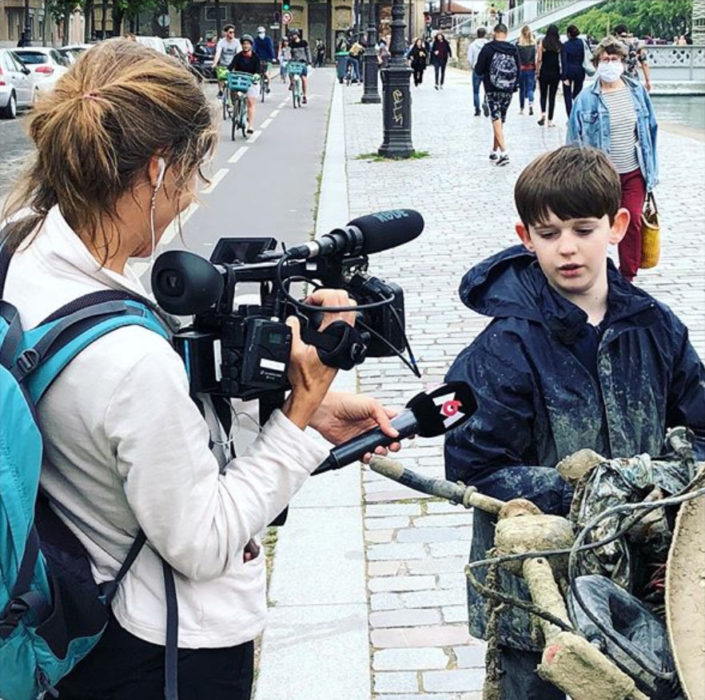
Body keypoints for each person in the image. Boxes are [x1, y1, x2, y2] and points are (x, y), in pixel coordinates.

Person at [0, 38, 399, 700]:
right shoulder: (128, 360)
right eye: (194, 174)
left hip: (67, 614)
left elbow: (112, 429)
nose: (193, 194)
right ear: (159, 169)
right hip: (157, 650)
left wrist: (282, 407)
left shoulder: (17, 248)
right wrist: (299, 413)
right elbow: (204, 541)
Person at [444, 144, 705, 700]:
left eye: (583, 229)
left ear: (616, 226)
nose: (567, 248)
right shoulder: (504, 345)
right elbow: (475, 465)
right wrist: (584, 490)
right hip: (535, 599)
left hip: (639, 600)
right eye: (549, 232)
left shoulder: (659, 330)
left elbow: (702, 438)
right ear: (525, 236)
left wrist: (644, 487)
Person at [567, 35, 658, 283]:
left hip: (633, 170)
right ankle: (594, 271)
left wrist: (651, 171)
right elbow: (573, 140)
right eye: (605, 59)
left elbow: (650, 130)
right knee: (598, 225)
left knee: (633, 220)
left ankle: (627, 276)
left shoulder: (636, 92)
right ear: (597, 64)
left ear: (622, 61)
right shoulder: (585, 99)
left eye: (614, 59)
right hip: (600, 175)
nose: (610, 63)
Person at [475, 23, 520, 166]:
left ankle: (504, 153)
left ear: (494, 32)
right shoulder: (513, 49)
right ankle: (494, 150)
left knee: (496, 118)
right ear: (506, 34)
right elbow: (518, 69)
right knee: (500, 120)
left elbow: (479, 69)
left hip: (492, 88)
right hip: (508, 89)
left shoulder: (488, 48)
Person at [228, 34, 261, 134]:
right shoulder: (238, 56)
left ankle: (250, 125)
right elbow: (230, 67)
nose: (245, 46)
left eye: (247, 44)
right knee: (232, 89)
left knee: (250, 102)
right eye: (244, 44)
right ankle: (235, 108)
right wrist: (226, 72)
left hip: (251, 82)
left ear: (251, 45)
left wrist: (256, 76)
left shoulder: (255, 57)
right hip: (239, 81)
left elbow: (258, 70)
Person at [536, 23, 561, 127]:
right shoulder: (559, 45)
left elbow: (539, 59)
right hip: (555, 72)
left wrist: (537, 71)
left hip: (544, 71)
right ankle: (550, 120)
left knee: (543, 94)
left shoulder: (543, 43)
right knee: (552, 97)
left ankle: (543, 114)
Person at [614, 24, 652, 92]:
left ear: (616, 34)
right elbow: (645, 63)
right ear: (627, 31)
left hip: (618, 79)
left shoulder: (614, 44)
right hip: (633, 78)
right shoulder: (637, 43)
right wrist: (647, 80)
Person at [561, 24, 586, 117]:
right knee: (578, 94)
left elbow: (563, 61)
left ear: (568, 34)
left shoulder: (565, 45)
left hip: (568, 71)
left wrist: (563, 76)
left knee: (567, 94)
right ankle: (578, 112)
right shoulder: (582, 43)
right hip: (580, 70)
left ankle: (570, 115)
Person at [213, 24, 242, 98]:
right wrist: (214, 63)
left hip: (233, 65)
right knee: (220, 76)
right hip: (223, 64)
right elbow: (218, 53)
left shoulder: (237, 42)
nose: (232, 34)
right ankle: (221, 91)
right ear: (225, 33)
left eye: (233, 32)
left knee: (233, 86)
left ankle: (233, 102)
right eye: (230, 32)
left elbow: (239, 53)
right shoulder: (221, 42)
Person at [467, 27, 489, 115]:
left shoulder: (472, 45)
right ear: (485, 34)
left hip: (477, 69)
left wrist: (473, 65)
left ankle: (477, 109)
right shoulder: (488, 45)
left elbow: (469, 58)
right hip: (486, 69)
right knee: (487, 90)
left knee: (476, 91)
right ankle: (485, 102)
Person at [516, 24, 536, 116]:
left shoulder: (518, 45)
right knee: (530, 88)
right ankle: (531, 105)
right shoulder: (533, 45)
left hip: (521, 68)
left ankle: (521, 108)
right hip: (531, 68)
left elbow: (517, 58)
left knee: (522, 89)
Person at [289, 31, 312, 103]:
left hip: (302, 63)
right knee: (290, 73)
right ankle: (292, 83)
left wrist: (309, 62)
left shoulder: (304, 43)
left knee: (303, 79)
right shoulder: (291, 44)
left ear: (297, 35)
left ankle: (304, 95)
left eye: (293, 35)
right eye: (291, 35)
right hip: (294, 63)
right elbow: (288, 53)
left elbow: (308, 52)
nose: (292, 36)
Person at [253, 26, 275, 93]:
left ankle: (267, 86)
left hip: (268, 59)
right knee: (257, 74)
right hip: (258, 58)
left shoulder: (268, 39)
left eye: (262, 32)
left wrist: (273, 57)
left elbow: (270, 48)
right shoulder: (256, 40)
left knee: (267, 74)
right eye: (259, 32)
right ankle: (259, 86)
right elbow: (254, 48)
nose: (261, 34)